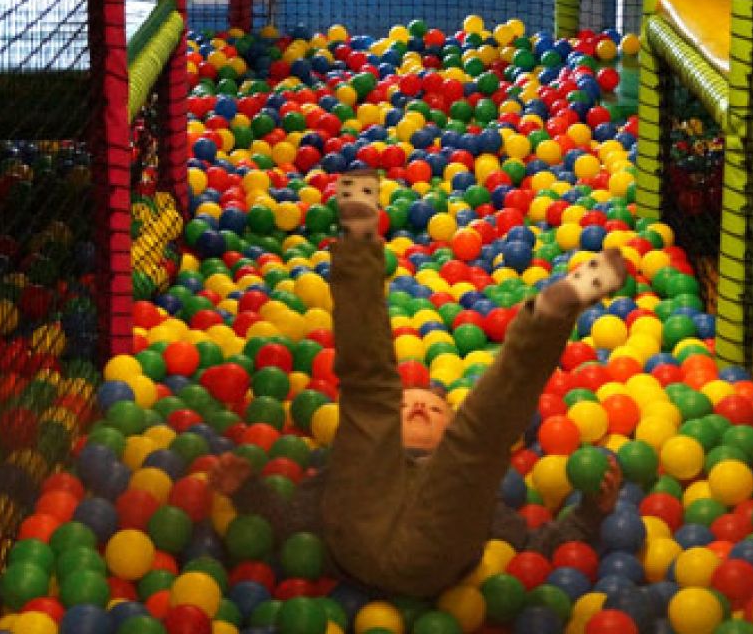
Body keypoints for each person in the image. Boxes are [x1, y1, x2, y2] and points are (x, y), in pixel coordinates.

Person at [207, 170, 628, 597]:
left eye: (433, 408)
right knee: (370, 394)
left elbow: (534, 548)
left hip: (434, 545)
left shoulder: (474, 490)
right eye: (407, 407)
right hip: (360, 520)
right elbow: (292, 522)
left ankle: (548, 318)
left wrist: (593, 512)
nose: (421, 407)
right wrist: (248, 492)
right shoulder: (347, 467)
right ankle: (357, 239)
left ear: (447, 424)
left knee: (480, 438)